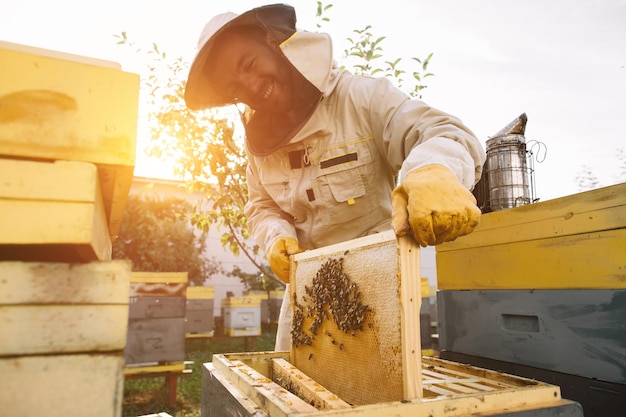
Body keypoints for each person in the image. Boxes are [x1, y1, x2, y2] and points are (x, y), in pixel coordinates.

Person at [184, 4, 486, 350]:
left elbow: (442, 132)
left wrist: (434, 170)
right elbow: (260, 204)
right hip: (306, 296)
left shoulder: (362, 98)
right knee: (294, 394)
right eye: (236, 88)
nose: (251, 87)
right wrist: (275, 236)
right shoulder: (258, 145)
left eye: (249, 65)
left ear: (272, 40)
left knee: (377, 395)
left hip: (378, 289)